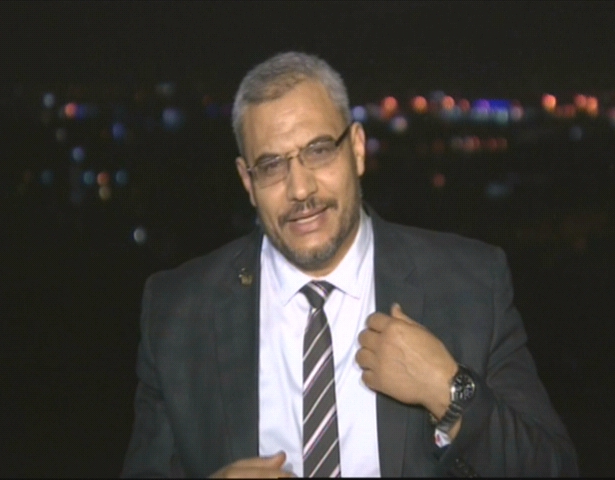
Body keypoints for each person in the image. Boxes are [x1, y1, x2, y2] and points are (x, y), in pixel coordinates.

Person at [121, 51, 578, 478]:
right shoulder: (176, 312)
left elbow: (552, 467)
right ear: (247, 180)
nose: (301, 189)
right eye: (273, 165)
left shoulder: (472, 284)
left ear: (357, 149)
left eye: (319, 150)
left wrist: (448, 391)